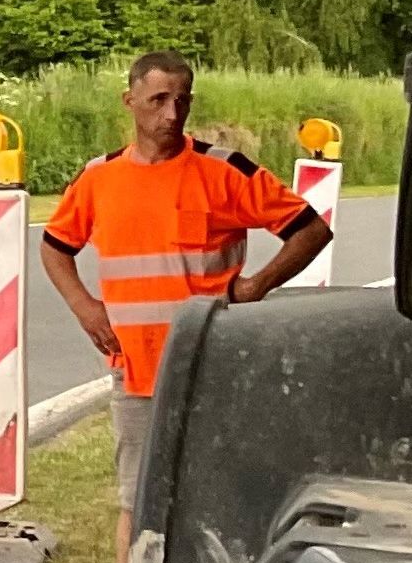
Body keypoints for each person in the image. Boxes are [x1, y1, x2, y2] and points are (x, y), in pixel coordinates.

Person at [39, 51, 333, 505]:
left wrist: (257, 285)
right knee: (138, 504)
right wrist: (84, 307)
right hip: (135, 371)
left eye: (182, 101)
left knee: (216, 496)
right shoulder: (99, 178)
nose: (171, 114)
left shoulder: (225, 171)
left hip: (212, 366)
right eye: (158, 100)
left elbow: (311, 230)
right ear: (129, 101)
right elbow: (56, 247)